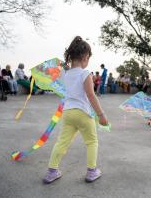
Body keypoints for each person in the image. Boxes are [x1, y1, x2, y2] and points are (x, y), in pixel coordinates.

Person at [43, 36, 108, 184]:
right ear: (85, 57)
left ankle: (52, 171)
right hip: (83, 113)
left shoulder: (65, 74)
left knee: (62, 142)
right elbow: (91, 95)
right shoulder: (85, 74)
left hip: (67, 112)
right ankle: (92, 172)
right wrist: (101, 115)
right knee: (91, 141)